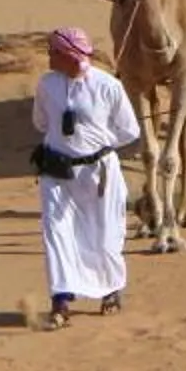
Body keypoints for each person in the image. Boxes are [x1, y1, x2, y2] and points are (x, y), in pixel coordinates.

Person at [31, 25, 144, 329]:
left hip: (99, 172)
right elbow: (41, 123)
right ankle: (60, 300)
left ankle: (109, 290)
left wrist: (96, 142)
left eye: (53, 52)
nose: (49, 57)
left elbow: (129, 131)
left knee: (104, 234)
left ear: (70, 54)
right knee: (56, 232)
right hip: (56, 171)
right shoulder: (46, 85)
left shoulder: (108, 87)